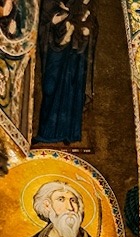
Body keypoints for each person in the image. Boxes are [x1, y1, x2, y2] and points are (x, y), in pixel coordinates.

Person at [34, 0, 97, 144]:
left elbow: (91, 23)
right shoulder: (50, 2)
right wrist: (62, 19)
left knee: (71, 88)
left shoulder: (80, 4)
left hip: (74, 54)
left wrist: (86, 32)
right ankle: (45, 132)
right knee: (50, 87)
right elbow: (44, 24)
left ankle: (69, 133)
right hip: (54, 52)